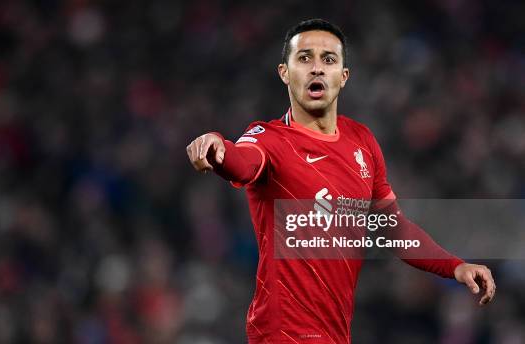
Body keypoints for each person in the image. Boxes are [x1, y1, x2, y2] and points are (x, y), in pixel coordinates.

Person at [186, 19, 495, 344]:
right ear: (285, 73)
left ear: (343, 76)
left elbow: (394, 230)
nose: (316, 68)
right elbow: (242, 162)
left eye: (328, 59)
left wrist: (455, 267)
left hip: (334, 334)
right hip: (282, 333)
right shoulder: (270, 139)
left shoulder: (362, 141)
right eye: (304, 58)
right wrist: (216, 145)